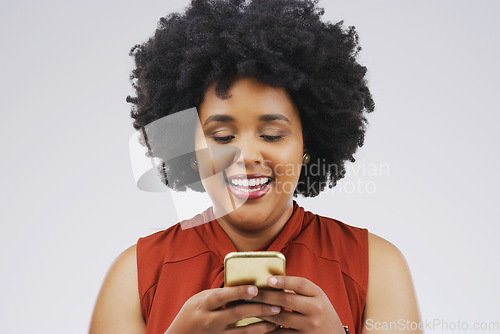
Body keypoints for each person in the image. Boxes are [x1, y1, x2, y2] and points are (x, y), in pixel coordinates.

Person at [90, 0, 421, 333]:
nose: (246, 155)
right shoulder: (135, 275)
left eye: (272, 135)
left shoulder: (375, 267)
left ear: (308, 145)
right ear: (189, 150)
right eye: (221, 136)